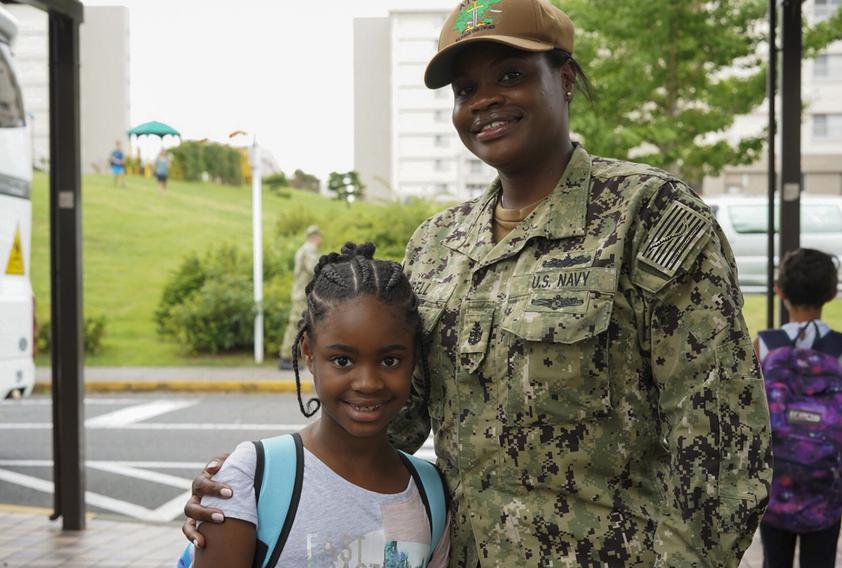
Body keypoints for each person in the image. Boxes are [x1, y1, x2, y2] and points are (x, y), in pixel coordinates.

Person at [183, 1, 772, 566]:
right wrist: (254, 484)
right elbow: (393, 416)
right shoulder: (436, 244)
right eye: (465, 89)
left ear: (564, 78)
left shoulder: (647, 215)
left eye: (511, 74)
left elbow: (722, 449)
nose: (484, 101)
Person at [190, 242, 450, 568]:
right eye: (342, 360)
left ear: (414, 358)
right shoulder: (255, 476)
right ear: (308, 353)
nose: (368, 382)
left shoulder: (430, 492)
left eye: (390, 360)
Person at [755, 248, 842, 568]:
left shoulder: (763, 344)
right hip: (826, 485)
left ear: (779, 291)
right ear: (832, 294)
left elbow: (751, 415)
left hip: (775, 483)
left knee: (774, 561)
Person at [278, 225, 323, 370]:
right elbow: (314, 269)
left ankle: (290, 356)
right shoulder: (309, 249)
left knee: (299, 325)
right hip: (303, 295)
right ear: (316, 237)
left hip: (301, 294)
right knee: (296, 325)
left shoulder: (302, 249)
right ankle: (286, 357)